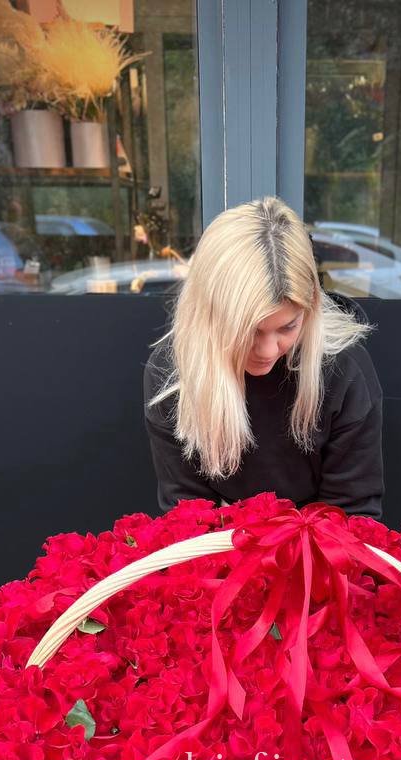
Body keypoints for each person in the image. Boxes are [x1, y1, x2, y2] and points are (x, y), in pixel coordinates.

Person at [144, 195, 384, 519]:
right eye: (250, 331)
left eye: (288, 327)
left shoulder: (343, 369)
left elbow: (352, 514)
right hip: (217, 542)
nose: (268, 350)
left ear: (311, 308)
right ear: (209, 317)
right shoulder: (173, 373)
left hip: (319, 543)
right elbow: (186, 515)